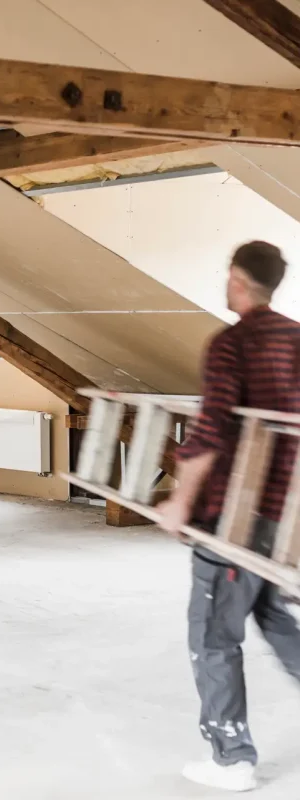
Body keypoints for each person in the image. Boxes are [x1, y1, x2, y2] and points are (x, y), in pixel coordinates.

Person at [157, 241, 300, 793]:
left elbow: (212, 429)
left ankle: (230, 757)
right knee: (276, 618)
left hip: (235, 518)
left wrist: (180, 502)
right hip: (285, 517)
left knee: (214, 635)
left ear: (238, 279)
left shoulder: (231, 344)